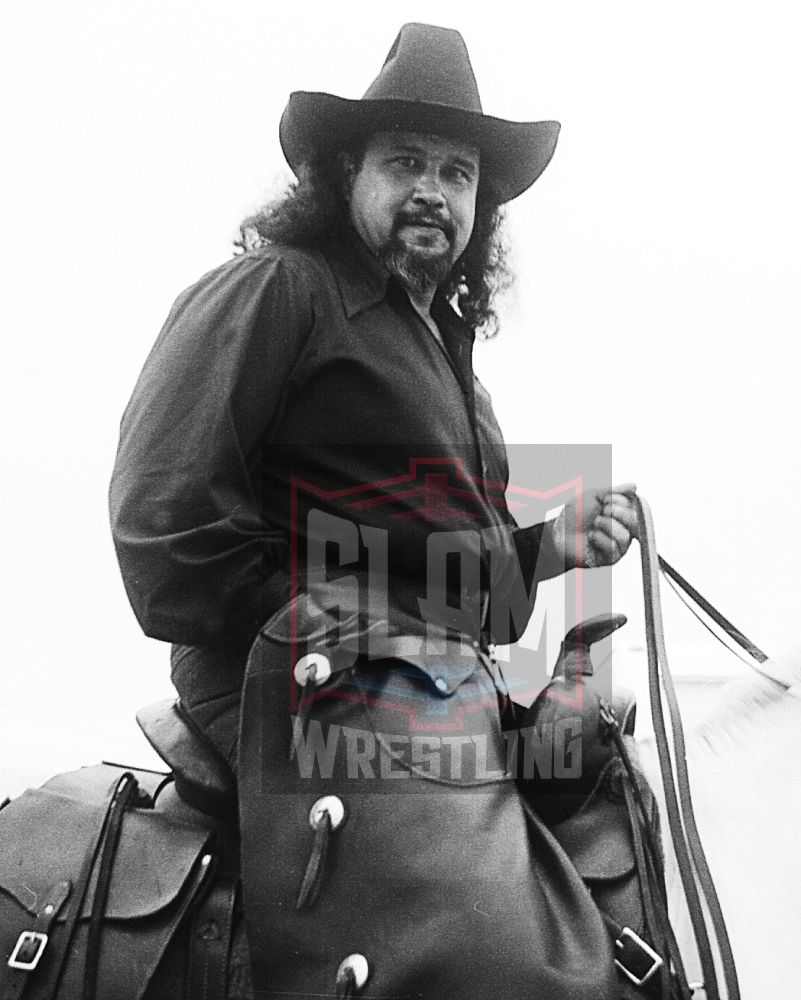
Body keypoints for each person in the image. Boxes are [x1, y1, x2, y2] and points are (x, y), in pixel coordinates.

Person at [110, 22, 639, 999]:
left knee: (608, 771)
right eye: (406, 162)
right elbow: (164, 525)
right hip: (294, 689)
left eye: (458, 171)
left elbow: (456, 599)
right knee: (500, 966)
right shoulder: (277, 290)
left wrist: (547, 550)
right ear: (345, 172)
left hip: (439, 695)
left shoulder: (461, 383)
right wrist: (339, 635)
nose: (435, 191)